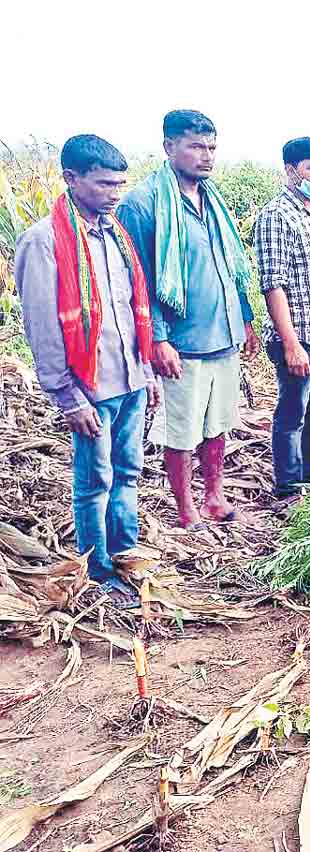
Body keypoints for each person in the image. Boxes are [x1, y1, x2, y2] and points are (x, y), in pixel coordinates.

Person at [14, 135, 160, 608]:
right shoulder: (43, 241)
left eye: (120, 183)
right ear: (71, 179)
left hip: (131, 377)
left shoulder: (115, 234)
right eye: (103, 183)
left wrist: (148, 371)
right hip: (91, 387)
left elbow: (132, 307)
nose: (115, 192)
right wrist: (68, 396)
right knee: (94, 480)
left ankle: (125, 554)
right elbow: (42, 327)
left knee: (129, 472)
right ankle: (96, 572)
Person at [118, 110, 259, 528]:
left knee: (218, 423)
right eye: (196, 146)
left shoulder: (212, 201)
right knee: (181, 430)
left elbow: (230, 270)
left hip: (223, 335)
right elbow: (138, 280)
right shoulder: (144, 205)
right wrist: (158, 338)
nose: (207, 156)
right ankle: (186, 509)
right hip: (182, 342)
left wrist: (246, 319)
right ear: (169, 147)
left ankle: (214, 497)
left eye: (212, 147)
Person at [254, 138, 310, 498]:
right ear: (291, 171)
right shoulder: (277, 216)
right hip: (301, 338)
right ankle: (289, 486)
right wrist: (291, 345)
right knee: (292, 414)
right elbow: (273, 286)